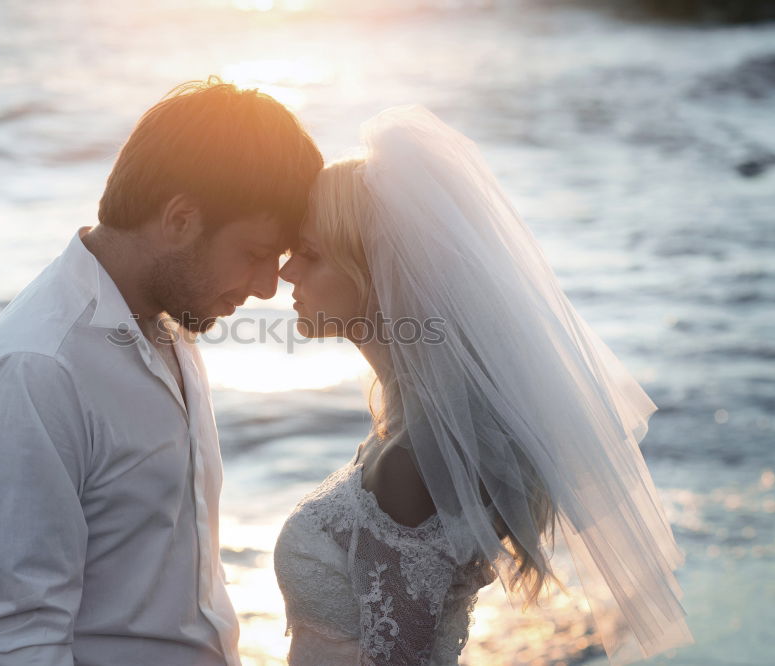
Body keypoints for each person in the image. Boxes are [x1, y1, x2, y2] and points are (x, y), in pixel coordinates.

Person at [274, 105, 693, 665]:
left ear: (375, 272)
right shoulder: (415, 433)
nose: (285, 273)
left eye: (310, 253)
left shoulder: (414, 458)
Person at [0, 78, 322, 665]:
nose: (268, 285)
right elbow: (17, 638)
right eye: (253, 254)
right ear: (180, 220)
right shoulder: (36, 370)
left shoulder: (167, 314)